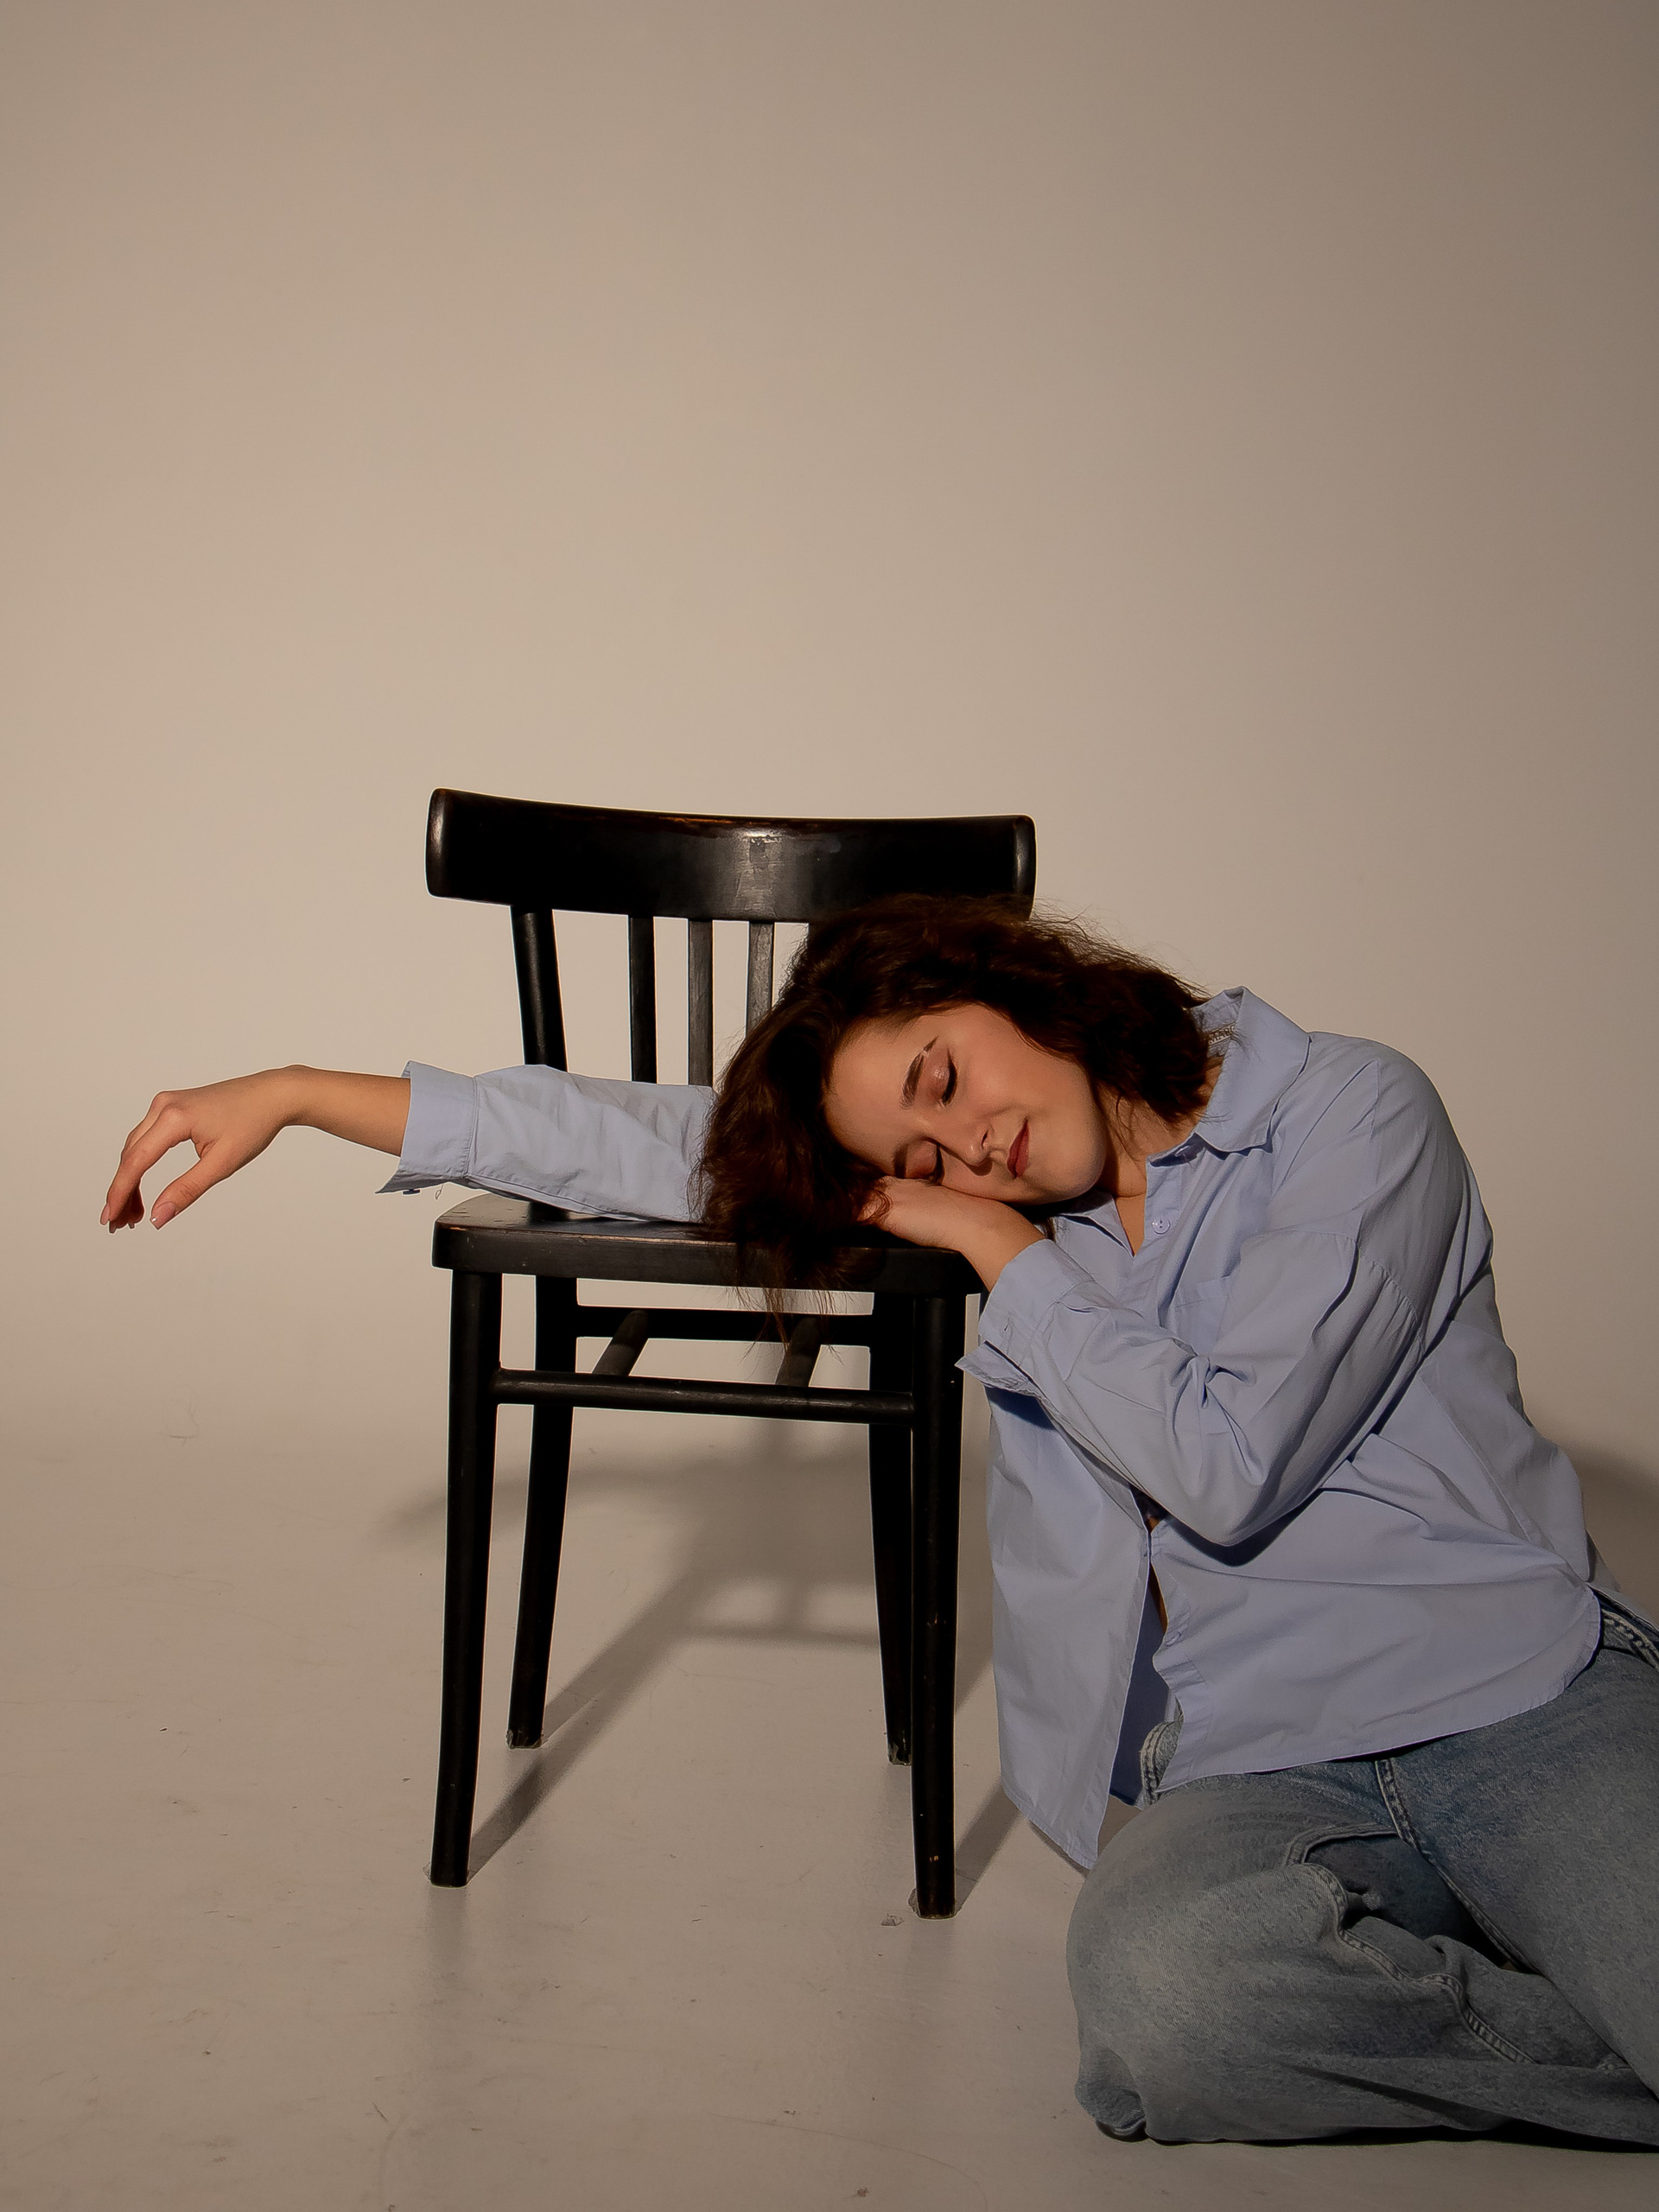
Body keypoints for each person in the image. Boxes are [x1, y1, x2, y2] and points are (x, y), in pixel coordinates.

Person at [103, 896, 1659, 2146]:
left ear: (1012, 984)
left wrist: (994, 1250)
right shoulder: (1020, 1214)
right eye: (918, 1161)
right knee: (1162, 2010)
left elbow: (1228, 1461)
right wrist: (300, 1095)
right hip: (1256, 1750)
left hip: (1518, 1695)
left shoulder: (1350, 1110)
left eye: (945, 1081)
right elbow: (638, 1141)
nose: (968, 1150)